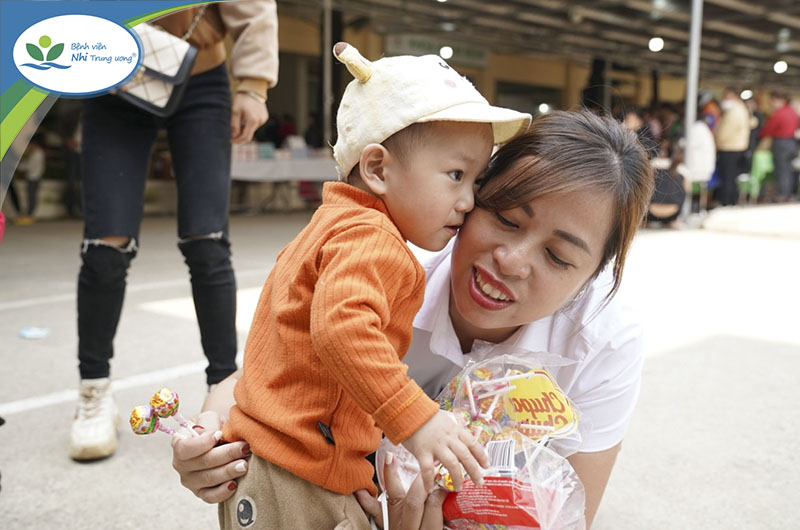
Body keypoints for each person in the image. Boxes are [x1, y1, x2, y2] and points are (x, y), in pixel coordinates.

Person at [172, 109, 655, 529]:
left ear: (593, 275)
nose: (511, 259)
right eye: (505, 218)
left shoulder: (600, 338)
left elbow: (571, 515)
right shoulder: (393, 268)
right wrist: (209, 443)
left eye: (557, 255)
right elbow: (267, 372)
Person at [217, 42, 531, 530]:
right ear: (378, 169)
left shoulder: (332, 225)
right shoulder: (371, 238)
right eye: (455, 175)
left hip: (288, 465)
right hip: (295, 475)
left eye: (476, 180)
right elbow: (342, 327)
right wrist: (416, 418)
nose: (469, 200)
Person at [69, 0, 279, 461]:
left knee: (207, 243)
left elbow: (253, 7)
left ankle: (224, 394)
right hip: (112, 76)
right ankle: (93, 391)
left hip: (200, 74)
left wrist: (254, 85)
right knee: (105, 247)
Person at [759, 91, 799, 202]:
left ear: (781, 100)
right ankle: (788, 193)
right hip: (792, 143)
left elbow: (769, 129)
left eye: (773, 101)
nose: (772, 103)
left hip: (781, 143)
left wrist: (760, 135)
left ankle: (782, 194)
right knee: (788, 170)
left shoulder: (779, 113)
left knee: (781, 170)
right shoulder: (792, 112)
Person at [715, 87, 751, 206]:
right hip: (735, 147)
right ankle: (731, 201)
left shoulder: (735, 111)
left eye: (727, 96)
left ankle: (727, 202)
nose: (724, 99)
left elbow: (726, 132)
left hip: (730, 148)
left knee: (728, 177)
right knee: (731, 177)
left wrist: (716, 141)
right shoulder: (740, 109)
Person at [10, 133, 46, 226]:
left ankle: (29, 215)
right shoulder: (38, 153)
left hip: (33, 177)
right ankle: (28, 215)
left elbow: (28, 166)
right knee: (31, 196)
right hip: (34, 177)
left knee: (31, 196)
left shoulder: (37, 154)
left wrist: (17, 166)